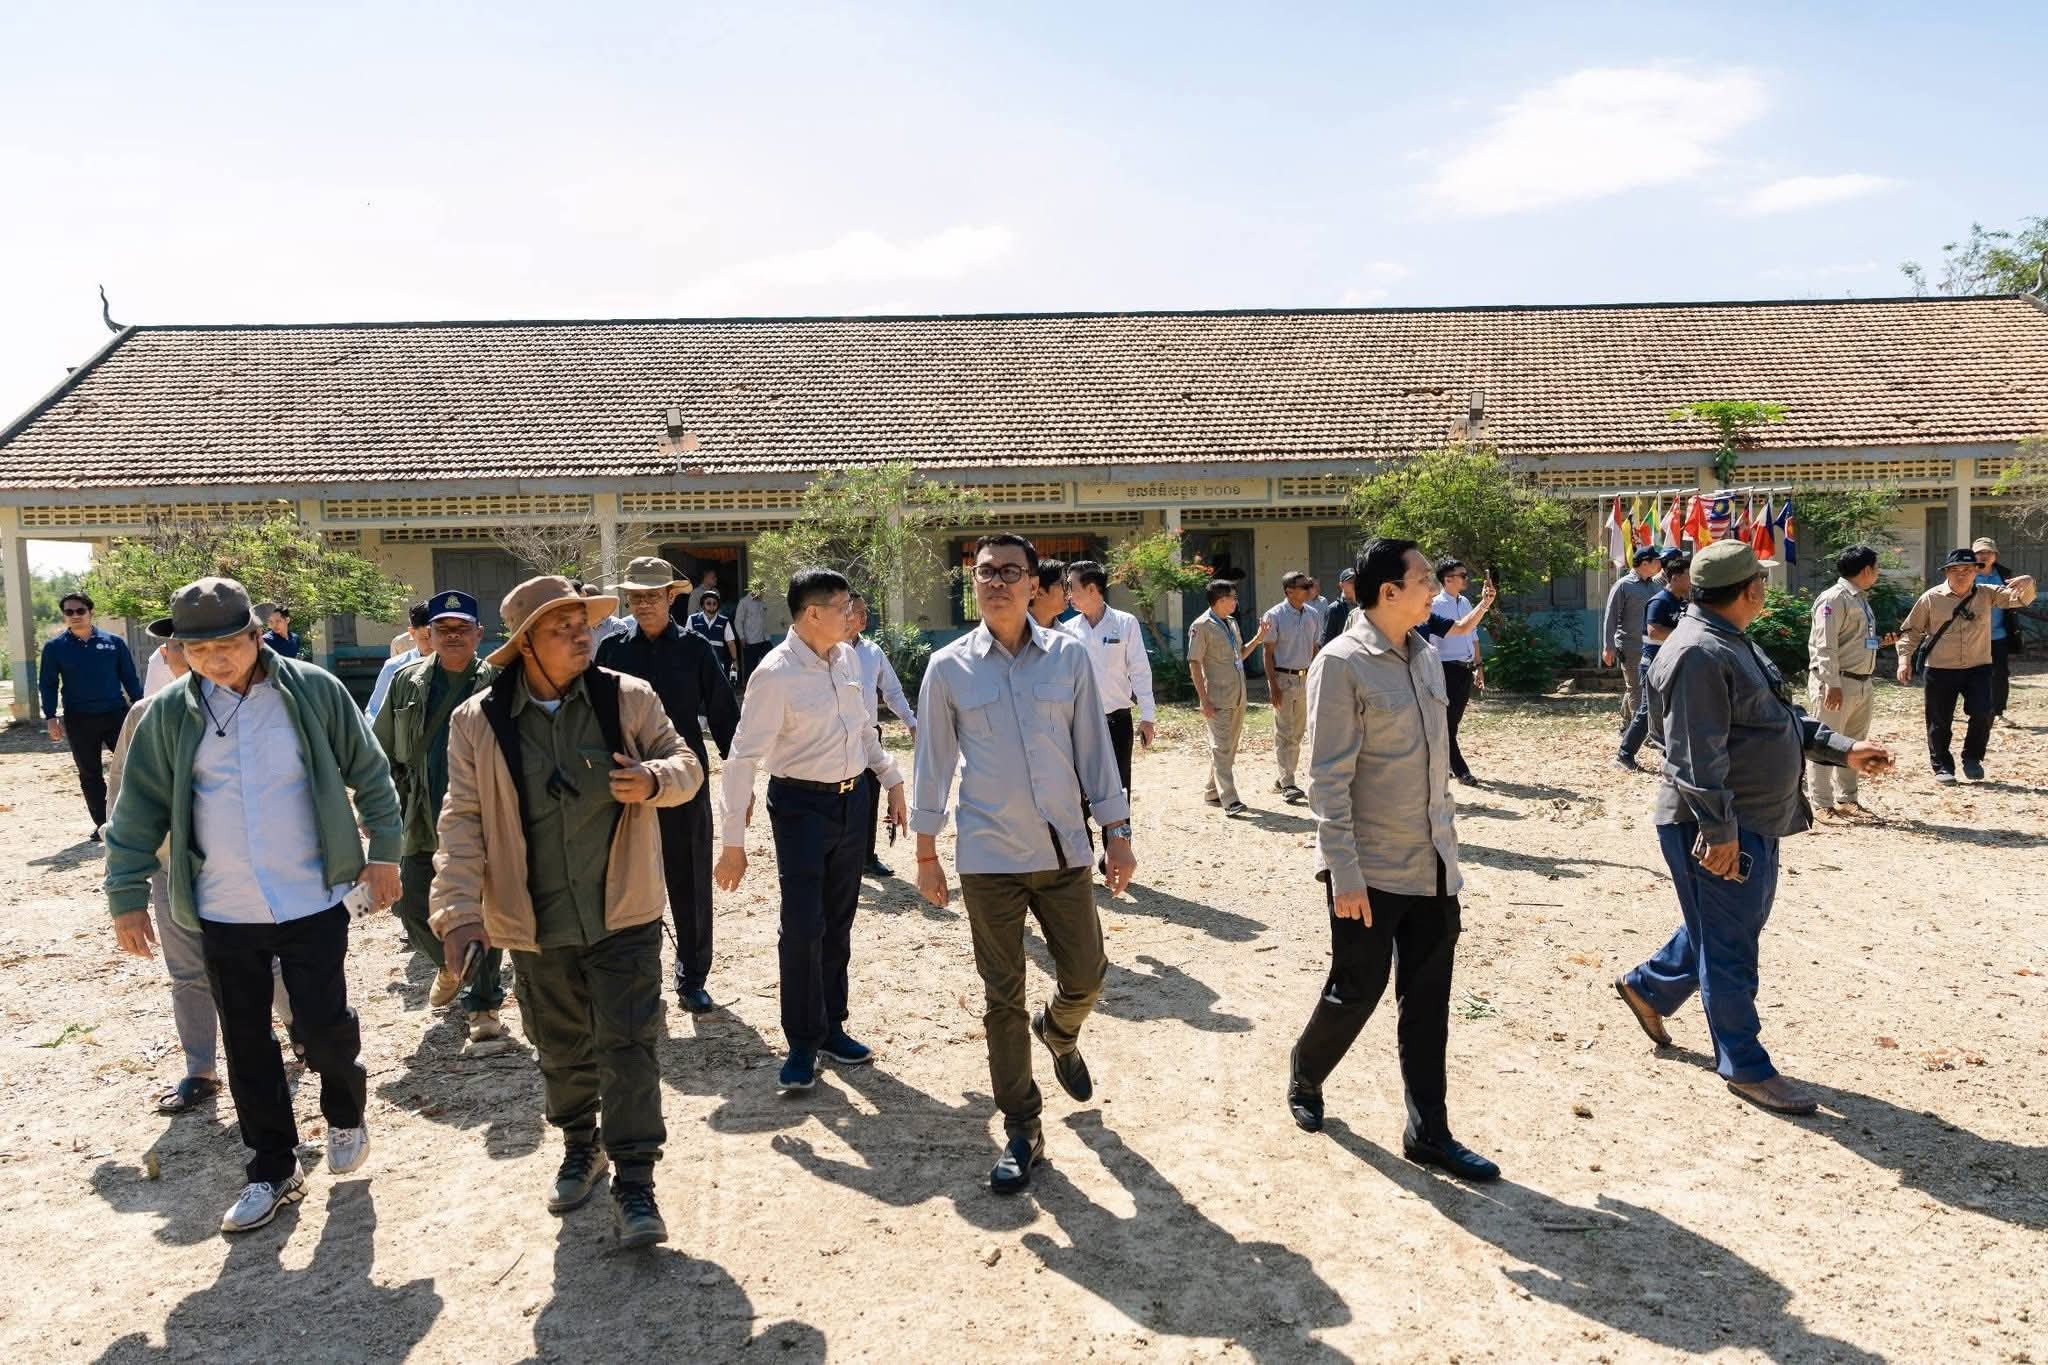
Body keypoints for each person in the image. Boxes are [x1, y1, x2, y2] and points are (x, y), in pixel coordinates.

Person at [103, 577, 403, 1233]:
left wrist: (384, 852)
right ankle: (273, 1167)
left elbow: (370, 771)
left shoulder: (313, 691)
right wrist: (125, 895)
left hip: (312, 894)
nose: (214, 659)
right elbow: (136, 811)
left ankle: (345, 1111)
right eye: (197, 648)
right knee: (246, 1042)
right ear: (179, 650)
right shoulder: (167, 715)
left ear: (257, 636)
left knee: (323, 1026)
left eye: (227, 644)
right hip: (222, 905)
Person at [431, 575, 702, 1249]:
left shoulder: (627, 697)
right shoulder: (477, 721)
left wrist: (654, 780)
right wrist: (458, 908)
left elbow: (687, 764)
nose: (583, 637)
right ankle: (582, 1144)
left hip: (625, 909)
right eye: (563, 629)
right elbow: (461, 820)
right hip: (535, 918)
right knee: (560, 1045)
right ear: (526, 643)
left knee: (630, 1044)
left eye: (584, 625)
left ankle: (635, 1179)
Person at [1614, 540, 1893, 1116]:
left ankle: (1650, 986)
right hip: (1718, 824)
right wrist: (1720, 832)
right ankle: (1744, 1064)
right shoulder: (1698, 652)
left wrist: (1842, 748)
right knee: (1730, 943)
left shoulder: (1728, 640)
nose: (1765, 589)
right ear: (1749, 590)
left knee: (1724, 927)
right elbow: (1694, 754)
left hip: (1750, 818)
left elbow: (1777, 719)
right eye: (1761, 581)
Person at [912, 532, 1136, 1194]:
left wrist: (1117, 832)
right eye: (986, 572)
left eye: (1012, 571)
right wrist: (925, 851)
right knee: (1001, 996)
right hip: (988, 858)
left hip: (1063, 849)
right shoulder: (948, 667)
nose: (997, 582)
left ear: (1035, 584)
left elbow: (1095, 751)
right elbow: (932, 764)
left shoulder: (1068, 657)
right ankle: (1023, 1126)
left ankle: (1059, 1031)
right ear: (973, 582)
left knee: (1086, 976)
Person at [1284, 538, 1498, 1183]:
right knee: (1356, 989)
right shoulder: (1341, 664)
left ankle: (1428, 1131)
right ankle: (1306, 1070)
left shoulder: (1426, 654)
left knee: (1428, 1001)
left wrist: (1449, 850)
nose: (1435, 588)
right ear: (1389, 592)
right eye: (1424, 579)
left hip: (1432, 864)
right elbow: (1327, 779)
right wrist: (1343, 873)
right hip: (1370, 868)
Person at [714, 569, 908, 1092]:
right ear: (814, 614)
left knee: (839, 921)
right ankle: (802, 1042)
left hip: (852, 801)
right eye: (844, 607)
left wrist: (890, 779)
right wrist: (732, 844)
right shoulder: (775, 674)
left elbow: (863, 730)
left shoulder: (848, 659)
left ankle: (831, 1027)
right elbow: (742, 758)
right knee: (803, 925)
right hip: (800, 807)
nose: (854, 615)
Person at [107, 636, 298, 1116]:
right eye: (184, 645)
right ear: (170, 656)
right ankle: (201, 1070)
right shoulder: (145, 715)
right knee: (188, 971)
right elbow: (123, 801)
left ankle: (300, 1031)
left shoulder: (256, 708)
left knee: (267, 960)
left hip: (241, 867)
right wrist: (126, 881)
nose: (200, 655)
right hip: (172, 868)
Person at [597, 557, 739, 1012]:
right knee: (627, 881)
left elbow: (723, 713)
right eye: (635, 597)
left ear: (671, 597)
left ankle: (692, 976)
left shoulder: (695, 649)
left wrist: (740, 780)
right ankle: (638, 977)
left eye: (652, 596)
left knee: (689, 877)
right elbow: (591, 716)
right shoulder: (612, 651)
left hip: (683, 780)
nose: (643, 604)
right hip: (625, 783)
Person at [371, 590, 507, 1042]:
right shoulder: (406, 682)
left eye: (461, 628)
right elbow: (381, 751)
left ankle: (483, 1006)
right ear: (428, 634)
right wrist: (379, 809)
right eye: (443, 629)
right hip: (421, 814)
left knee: (481, 909)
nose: (452, 636)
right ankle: (451, 965)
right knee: (409, 902)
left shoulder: (500, 682)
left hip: (481, 815)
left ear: (478, 634)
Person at [1895, 548, 2036, 782]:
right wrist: (1904, 660)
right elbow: (1911, 630)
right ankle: (1942, 767)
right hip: (1940, 668)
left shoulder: (1987, 593)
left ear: (1976, 572)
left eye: (1968, 569)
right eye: (1956, 570)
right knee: (1939, 720)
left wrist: (2029, 582)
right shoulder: (1931, 597)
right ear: (1947, 572)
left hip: (1978, 666)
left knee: (1983, 712)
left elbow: (2021, 599)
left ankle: (1972, 758)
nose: (1962, 574)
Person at [40, 590, 144, 837]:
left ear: (91, 612)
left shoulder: (113, 643)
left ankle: (135, 817)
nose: (75, 615)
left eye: (80, 610)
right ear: (64, 615)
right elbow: (48, 684)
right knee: (90, 773)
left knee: (133, 766)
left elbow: (129, 677)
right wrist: (51, 716)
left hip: (115, 714)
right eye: (69, 612)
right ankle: (103, 824)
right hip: (79, 718)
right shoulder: (55, 648)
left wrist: (141, 707)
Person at [1060, 559, 1156, 807]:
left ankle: (1119, 833)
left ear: (1092, 589)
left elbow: (1140, 671)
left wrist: (1148, 717)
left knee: (1118, 790)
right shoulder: (1067, 630)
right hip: (1079, 724)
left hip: (1117, 721)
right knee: (1078, 793)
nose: (1068, 594)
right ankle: (1082, 835)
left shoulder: (1125, 623)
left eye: (1072, 587)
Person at [1807, 546, 1887, 818]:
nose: (1877, 573)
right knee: (1825, 742)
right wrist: (1832, 683)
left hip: (1861, 682)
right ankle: (1822, 803)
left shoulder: (1860, 599)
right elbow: (1824, 645)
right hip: (1838, 682)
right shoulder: (1833, 599)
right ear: (1866, 570)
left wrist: (1880, 643)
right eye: (1876, 568)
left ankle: (1848, 799)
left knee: (1854, 743)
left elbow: (1853, 640)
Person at [845, 591, 916, 879]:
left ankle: (866, 857)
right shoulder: (826, 652)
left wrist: (911, 722)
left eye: (865, 611)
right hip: (838, 737)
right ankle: (842, 860)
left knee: (870, 796)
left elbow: (893, 691)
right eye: (857, 611)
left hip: (870, 735)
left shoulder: (872, 652)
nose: (864, 616)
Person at [1187, 580, 1268, 815]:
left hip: (1238, 695)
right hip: (1217, 697)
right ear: (1221, 600)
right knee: (1221, 747)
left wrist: (1259, 638)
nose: (1236, 601)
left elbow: (1239, 655)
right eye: (1233, 597)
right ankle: (1230, 799)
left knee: (1228, 748)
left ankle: (1212, 791)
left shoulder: (1231, 623)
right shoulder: (1201, 625)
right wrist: (1204, 700)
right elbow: (1194, 663)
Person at [1422, 560, 1497, 785]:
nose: (1466, 579)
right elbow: (1430, 641)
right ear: (1448, 579)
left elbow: (1472, 635)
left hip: (1464, 669)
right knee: (1447, 724)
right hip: (1445, 669)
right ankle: (1461, 770)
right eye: (1462, 575)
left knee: (1451, 723)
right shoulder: (1434, 605)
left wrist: (1478, 665)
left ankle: (1443, 764)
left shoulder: (1464, 602)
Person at [1617, 553, 1689, 771]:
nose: (1692, 581)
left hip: (1672, 663)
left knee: (1674, 709)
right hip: (1654, 665)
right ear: (1675, 578)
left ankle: (1673, 755)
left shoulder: (1682, 602)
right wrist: (1684, 634)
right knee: (1648, 710)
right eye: (1688, 576)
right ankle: (1624, 755)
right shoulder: (1659, 601)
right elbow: (1654, 631)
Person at [1261, 572, 1326, 804]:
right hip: (1283, 678)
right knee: (1284, 732)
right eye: (1304, 586)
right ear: (1289, 591)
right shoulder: (1274, 615)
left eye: (1309, 585)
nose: (1309, 589)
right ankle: (1288, 783)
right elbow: (1268, 653)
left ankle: (1283, 777)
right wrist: (1273, 685)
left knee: (1297, 733)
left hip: (1306, 679)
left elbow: (1314, 648)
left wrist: (1318, 677)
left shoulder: (1313, 614)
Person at [1602, 548, 1663, 734]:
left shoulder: (1655, 586)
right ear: (1644, 563)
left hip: (1652, 647)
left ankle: (1627, 721)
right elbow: (1610, 616)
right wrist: (1608, 646)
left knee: (1644, 687)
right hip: (1631, 646)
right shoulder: (1623, 585)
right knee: (1636, 688)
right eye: (1656, 561)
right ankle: (1640, 734)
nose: (1659, 564)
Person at [365, 602, 433, 720]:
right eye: (426, 638)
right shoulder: (394, 667)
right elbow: (374, 712)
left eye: (435, 636)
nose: (432, 644)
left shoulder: (455, 663)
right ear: (412, 633)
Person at [1973, 537, 2015, 725]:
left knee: (2000, 674)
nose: (1984, 556)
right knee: (1970, 674)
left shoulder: (2005, 574)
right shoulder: (1966, 573)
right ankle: (1974, 709)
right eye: (1980, 552)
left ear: (1995, 555)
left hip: (1998, 634)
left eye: (1988, 552)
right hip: (1972, 635)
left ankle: (1998, 712)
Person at [686, 589, 741, 675]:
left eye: (714, 603)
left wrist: (735, 661)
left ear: (718, 605)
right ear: (703, 605)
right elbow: (687, 642)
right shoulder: (692, 619)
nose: (711, 606)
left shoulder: (724, 621)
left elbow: (730, 643)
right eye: (708, 603)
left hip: (718, 663)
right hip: (698, 663)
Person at [734, 585, 773, 689]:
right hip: (750, 640)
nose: (763, 594)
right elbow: (738, 621)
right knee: (750, 668)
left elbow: (763, 620)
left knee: (773, 660)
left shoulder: (762, 602)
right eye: (761, 591)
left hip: (764, 639)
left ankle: (769, 686)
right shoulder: (744, 602)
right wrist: (741, 637)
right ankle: (749, 690)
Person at [1028, 559, 1069, 630]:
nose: (1068, 591)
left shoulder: (1069, 634)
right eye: (1064, 584)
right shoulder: (1011, 631)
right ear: (1038, 592)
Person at [1320, 569, 1357, 645]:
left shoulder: (1364, 606)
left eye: (1357, 582)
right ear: (1341, 585)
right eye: (1351, 582)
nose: (1355, 584)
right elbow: (1327, 640)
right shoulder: (1334, 609)